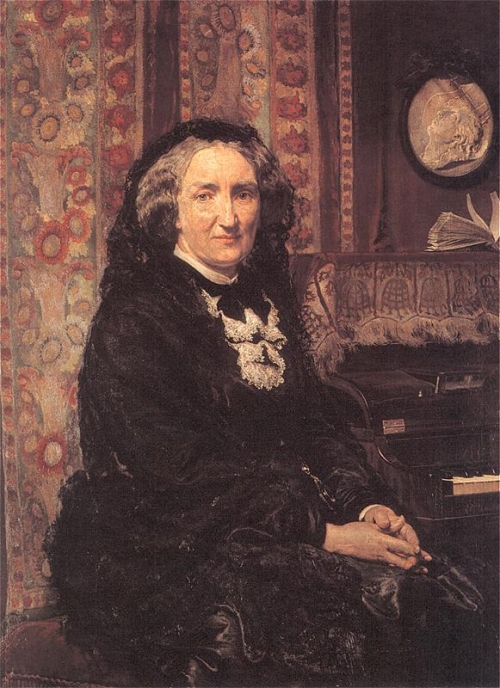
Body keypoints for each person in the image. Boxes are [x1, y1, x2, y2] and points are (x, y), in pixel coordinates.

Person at [45, 119, 490, 687]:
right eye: (205, 195)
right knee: (359, 607)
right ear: (169, 211)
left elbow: (316, 426)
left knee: (446, 591)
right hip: (175, 538)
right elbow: (177, 473)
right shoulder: (135, 318)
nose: (229, 217)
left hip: (281, 520)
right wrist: (327, 535)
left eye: (243, 193)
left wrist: (364, 505)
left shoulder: (265, 300)